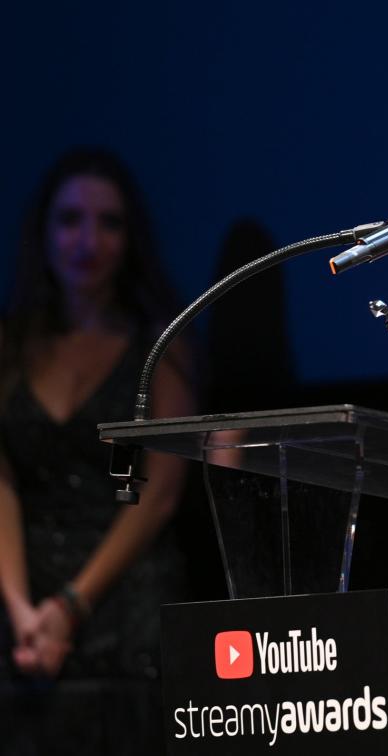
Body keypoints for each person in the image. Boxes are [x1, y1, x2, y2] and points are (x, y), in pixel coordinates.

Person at [0, 148, 194, 754]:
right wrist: (19, 605)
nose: (87, 240)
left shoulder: (162, 344)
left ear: (130, 237)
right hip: (24, 605)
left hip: (125, 599)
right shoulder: (10, 346)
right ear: (43, 232)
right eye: (69, 220)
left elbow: (160, 495)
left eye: (108, 222)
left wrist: (71, 605)